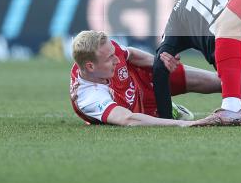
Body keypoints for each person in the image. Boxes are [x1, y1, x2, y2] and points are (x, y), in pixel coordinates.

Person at [69, 30, 213, 127]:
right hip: (138, 110)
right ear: (90, 67)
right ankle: (162, 108)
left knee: (218, 81)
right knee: (176, 118)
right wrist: (183, 124)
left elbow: (130, 54)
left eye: (114, 53)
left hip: (141, 75)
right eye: (109, 58)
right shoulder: (89, 97)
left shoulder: (106, 49)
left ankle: (232, 108)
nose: (117, 60)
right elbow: (127, 119)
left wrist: (159, 64)